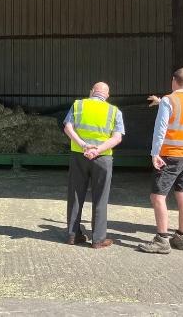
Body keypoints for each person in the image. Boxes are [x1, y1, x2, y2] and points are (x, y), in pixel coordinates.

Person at [138, 67, 183, 254]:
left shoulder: (169, 100)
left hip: (170, 155)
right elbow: (181, 118)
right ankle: (182, 236)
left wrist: (154, 153)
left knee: (157, 196)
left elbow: (161, 128)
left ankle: (162, 240)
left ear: (174, 80)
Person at [63, 82, 124, 249]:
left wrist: (83, 145)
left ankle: (72, 235)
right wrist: (98, 150)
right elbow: (117, 138)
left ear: (91, 92)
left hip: (79, 155)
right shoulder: (114, 111)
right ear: (107, 95)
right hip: (102, 158)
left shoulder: (78, 105)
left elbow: (68, 127)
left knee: (75, 195)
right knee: (100, 197)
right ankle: (98, 239)